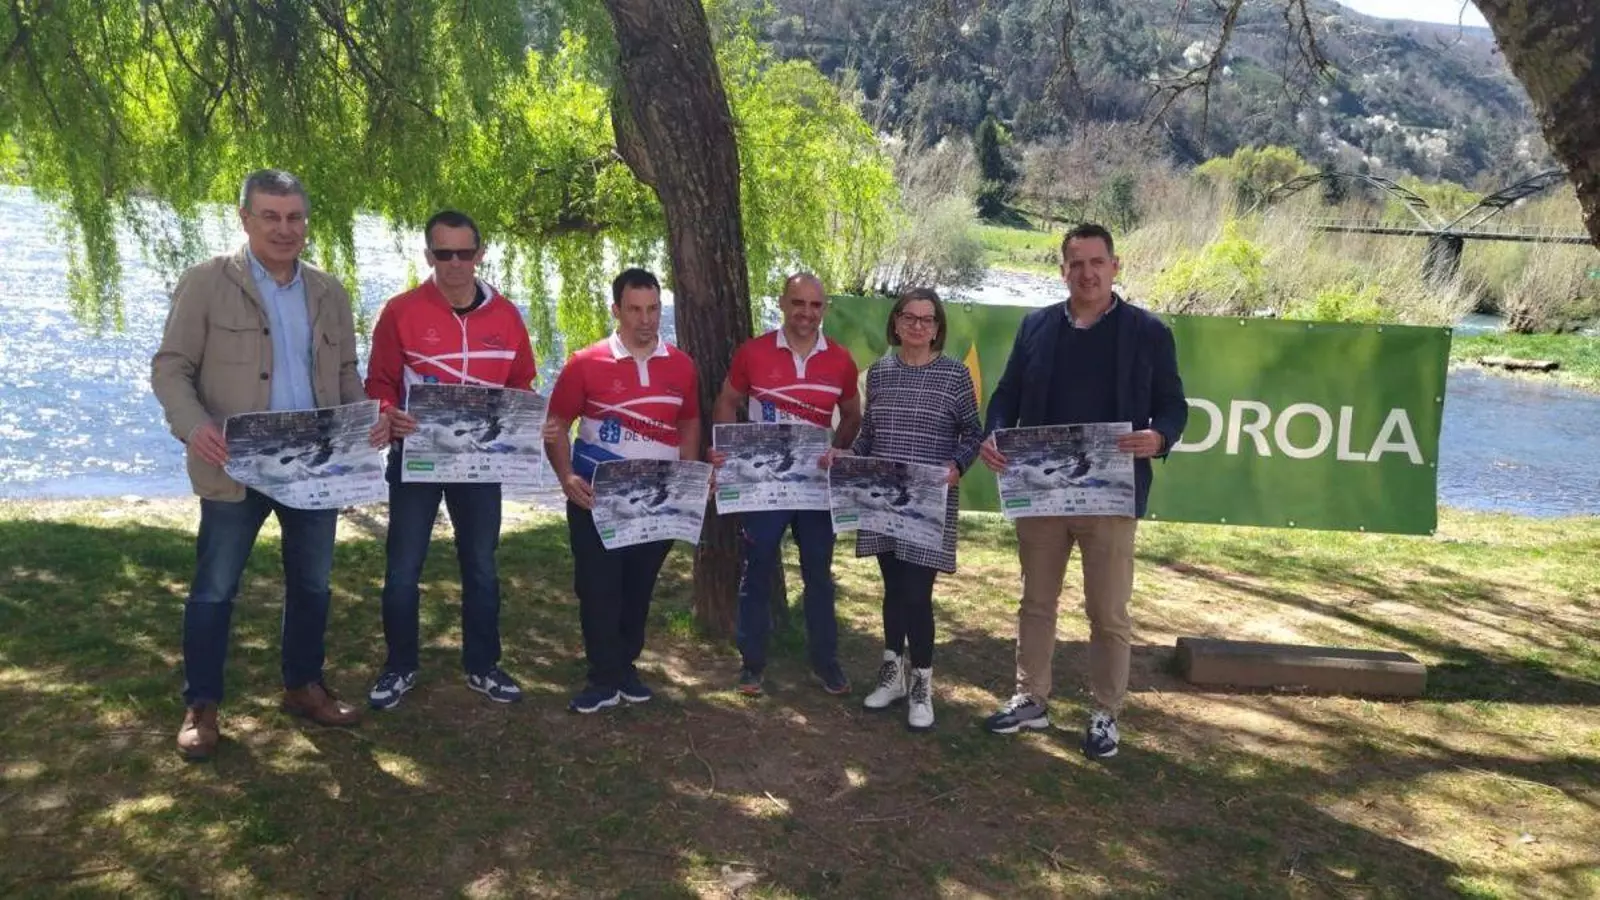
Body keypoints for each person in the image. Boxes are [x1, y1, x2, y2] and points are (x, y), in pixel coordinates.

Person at [151, 169, 389, 761]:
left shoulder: (329, 291)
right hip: (235, 465)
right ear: (245, 219)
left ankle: (303, 685)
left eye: (295, 217)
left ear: (306, 221)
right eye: (271, 216)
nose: (285, 229)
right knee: (215, 587)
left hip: (314, 468)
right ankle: (202, 705)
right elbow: (172, 367)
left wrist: (365, 419)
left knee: (312, 583)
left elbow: (344, 373)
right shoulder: (205, 282)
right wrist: (194, 426)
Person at [978, 223, 1187, 760]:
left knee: (1108, 612)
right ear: (1063, 270)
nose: (1087, 273)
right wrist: (995, 432)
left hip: (1111, 497)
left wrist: (1160, 436)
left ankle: (1105, 712)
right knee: (1036, 602)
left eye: (1097, 262)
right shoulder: (1036, 326)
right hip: (1042, 495)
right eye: (1077, 264)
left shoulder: (1148, 332)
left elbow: (1173, 405)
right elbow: (1006, 394)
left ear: (1115, 267)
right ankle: (1031, 698)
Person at [363, 210, 538, 710]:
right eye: (444, 253)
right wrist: (387, 412)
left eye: (465, 252)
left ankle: (483, 665)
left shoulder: (507, 316)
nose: (455, 263)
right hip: (415, 458)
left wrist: (528, 419)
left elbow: (521, 384)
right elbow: (379, 382)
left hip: (480, 465)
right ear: (428, 256)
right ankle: (399, 666)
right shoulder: (400, 311)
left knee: (481, 567)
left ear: (480, 254)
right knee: (403, 569)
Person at [543, 269, 701, 714]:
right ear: (616, 310)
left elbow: (689, 420)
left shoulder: (682, 365)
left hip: (656, 503)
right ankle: (601, 678)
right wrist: (565, 476)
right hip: (595, 500)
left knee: (638, 588)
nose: (645, 320)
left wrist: (687, 474)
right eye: (634, 309)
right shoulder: (585, 363)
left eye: (653, 309)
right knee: (598, 589)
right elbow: (556, 425)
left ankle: (625, 666)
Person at [708, 273, 862, 697]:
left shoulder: (840, 360)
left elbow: (852, 414)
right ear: (782, 303)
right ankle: (751, 664)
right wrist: (727, 450)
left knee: (819, 574)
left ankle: (826, 663)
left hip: (815, 486)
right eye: (798, 303)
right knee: (757, 568)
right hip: (765, 485)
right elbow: (727, 401)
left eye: (815, 305)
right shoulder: (753, 352)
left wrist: (838, 450)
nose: (806, 313)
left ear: (824, 309)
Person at [840, 288, 982, 732]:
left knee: (917, 595)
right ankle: (892, 674)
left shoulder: (955, 375)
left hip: (928, 504)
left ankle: (921, 683)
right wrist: (847, 458)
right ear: (896, 323)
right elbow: (868, 436)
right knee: (893, 590)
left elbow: (973, 434)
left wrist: (958, 466)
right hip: (882, 500)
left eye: (927, 319)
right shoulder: (880, 374)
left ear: (937, 328)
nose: (918, 326)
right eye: (909, 317)